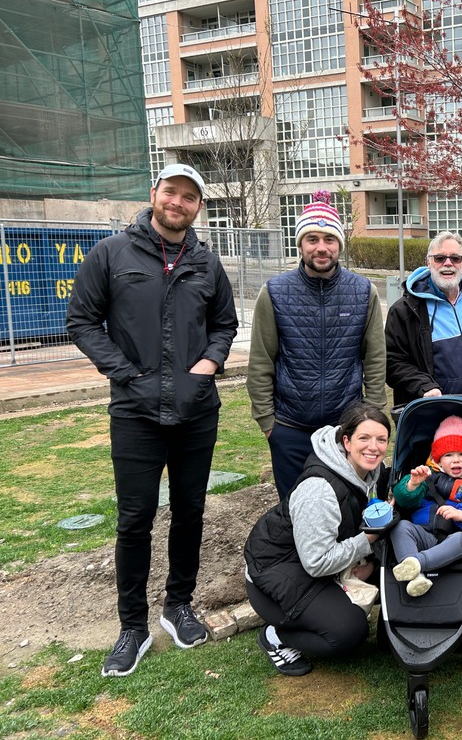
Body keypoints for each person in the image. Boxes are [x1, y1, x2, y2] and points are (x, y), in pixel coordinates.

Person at [66, 163, 238, 677]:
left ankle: (178, 606)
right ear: (154, 195)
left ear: (198, 207)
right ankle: (132, 627)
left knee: (189, 512)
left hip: (196, 412)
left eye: (189, 197)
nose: (178, 202)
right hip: (135, 413)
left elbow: (225, 324)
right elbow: (82, 320)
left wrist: (205, 370)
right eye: (171, 192)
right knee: (135, 519)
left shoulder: (207, 264)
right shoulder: (112, 255)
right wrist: (126, 374)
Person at [247, 190, 386, 498]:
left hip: (345, 429)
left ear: (339, 244)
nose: (321, 248)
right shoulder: (274, 293)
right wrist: (269, 424)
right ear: (300, 244)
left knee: (348, 509)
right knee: (295, 510)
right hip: (290, 428)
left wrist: (372, 416)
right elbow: (260, 362)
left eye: (329, 239)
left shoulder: (363, 292)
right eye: (312, 239)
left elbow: (375, 358)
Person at [244, 403, 391, 676]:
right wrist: (368, 540)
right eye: (364, 438)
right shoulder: (319, 491)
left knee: (392, 573)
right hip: (276, 575)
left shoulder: (373, 473)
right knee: (348, 632)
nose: (374, 447)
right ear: (346, 441)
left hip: (315, 561)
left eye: (381, 439)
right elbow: (316, 563)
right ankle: (276, 636)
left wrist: (371, 564)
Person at [385, 231, 462, 408]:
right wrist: (424, 385)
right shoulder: (404, 311)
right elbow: (392, 363)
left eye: (455, 258)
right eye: (439, 258)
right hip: (433, 417)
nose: (448, 263)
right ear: (428, 262)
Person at [390, 415, 462, 597]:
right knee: (400, 526)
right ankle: (416, 577)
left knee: (461, 539)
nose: (456, 460)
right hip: (424, 536)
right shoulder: (426, 477)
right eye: (448, 455)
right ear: (438, 459)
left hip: (455, 541)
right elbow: (404, 500)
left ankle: (416, 563)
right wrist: (412, 484)